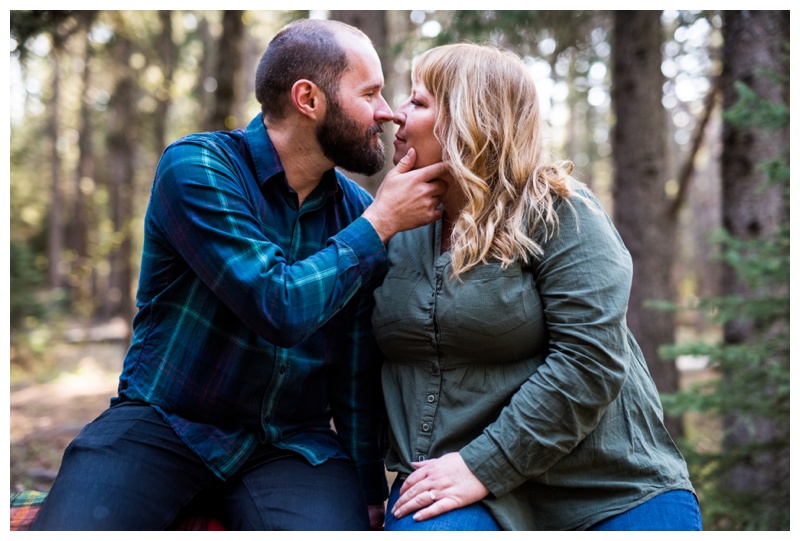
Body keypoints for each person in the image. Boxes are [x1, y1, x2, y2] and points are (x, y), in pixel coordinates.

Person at [32, 19, 447, 531]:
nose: (386, 112)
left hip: (294, 448)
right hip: (164, 424)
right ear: (308, 99)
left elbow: (355, 367)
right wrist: (380, 224)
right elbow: (275, 303)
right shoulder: (198, 167)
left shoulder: (357, 212)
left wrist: (366, 488)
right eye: (371, 93)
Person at [371, 43, 702, 531]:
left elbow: (590, 361)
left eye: (418, 102)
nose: (396, 116)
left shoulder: (561, 211)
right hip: (452, 482)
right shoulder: (392, 223)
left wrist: (484, 463)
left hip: (606, 486)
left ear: (469, 120)